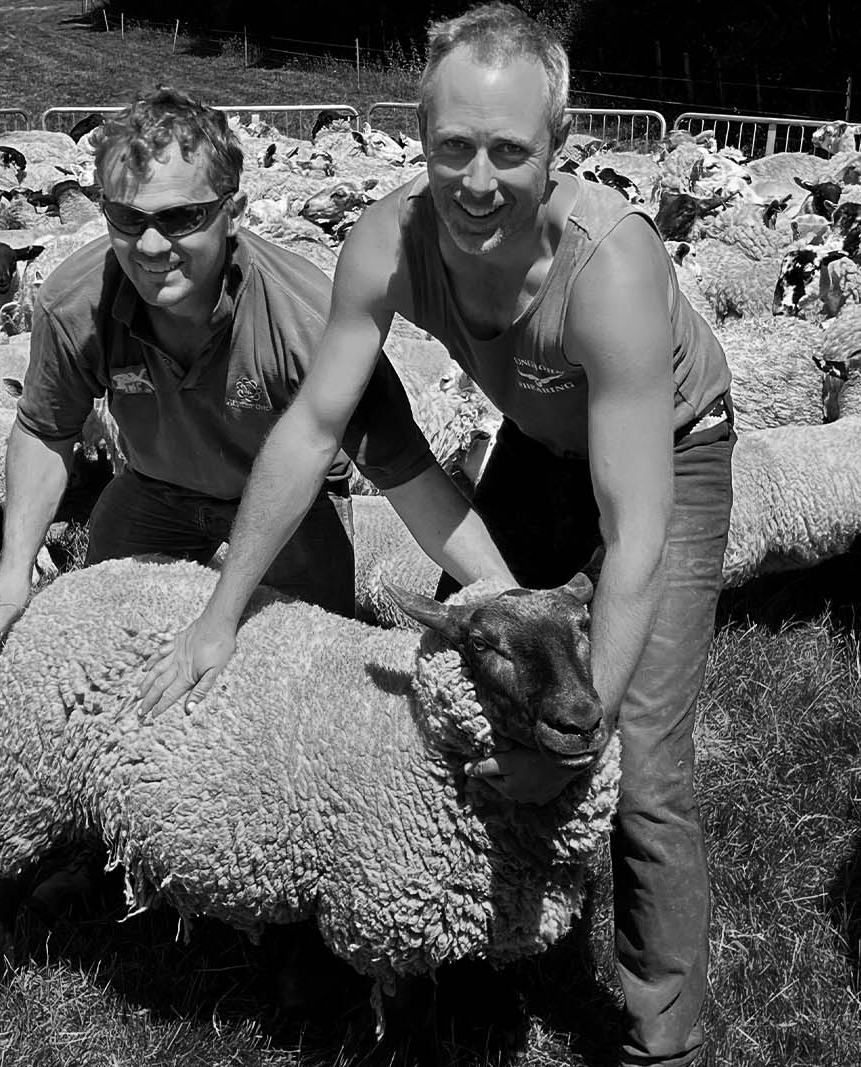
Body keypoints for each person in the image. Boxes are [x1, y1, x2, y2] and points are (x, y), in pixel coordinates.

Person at [138, 6, 734, 1064]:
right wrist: (221, 614)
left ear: (558, 147)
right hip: (538, 441)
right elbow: (314, 426)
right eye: (453, 146)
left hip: (670, 456)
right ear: (418, 139)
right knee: (469, 675)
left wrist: (584, 732)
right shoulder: (387, 239)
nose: (477, 180)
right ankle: (479, 926)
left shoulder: (611, 268)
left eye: (509, 150)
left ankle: (659, 1031)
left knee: (638, 756)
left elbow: (634, 533)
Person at [0, 86, 442, 667]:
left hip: (286, 505)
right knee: (102, 644)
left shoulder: (306, 319)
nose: (150, 245)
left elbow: (406, 469)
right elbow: (46, 429)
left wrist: (499, 589)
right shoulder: (74, 303)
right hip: (155, 488)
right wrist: (14, 568)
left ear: (232, 213)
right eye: (126, 217)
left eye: (182, 217)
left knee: (302, 671)